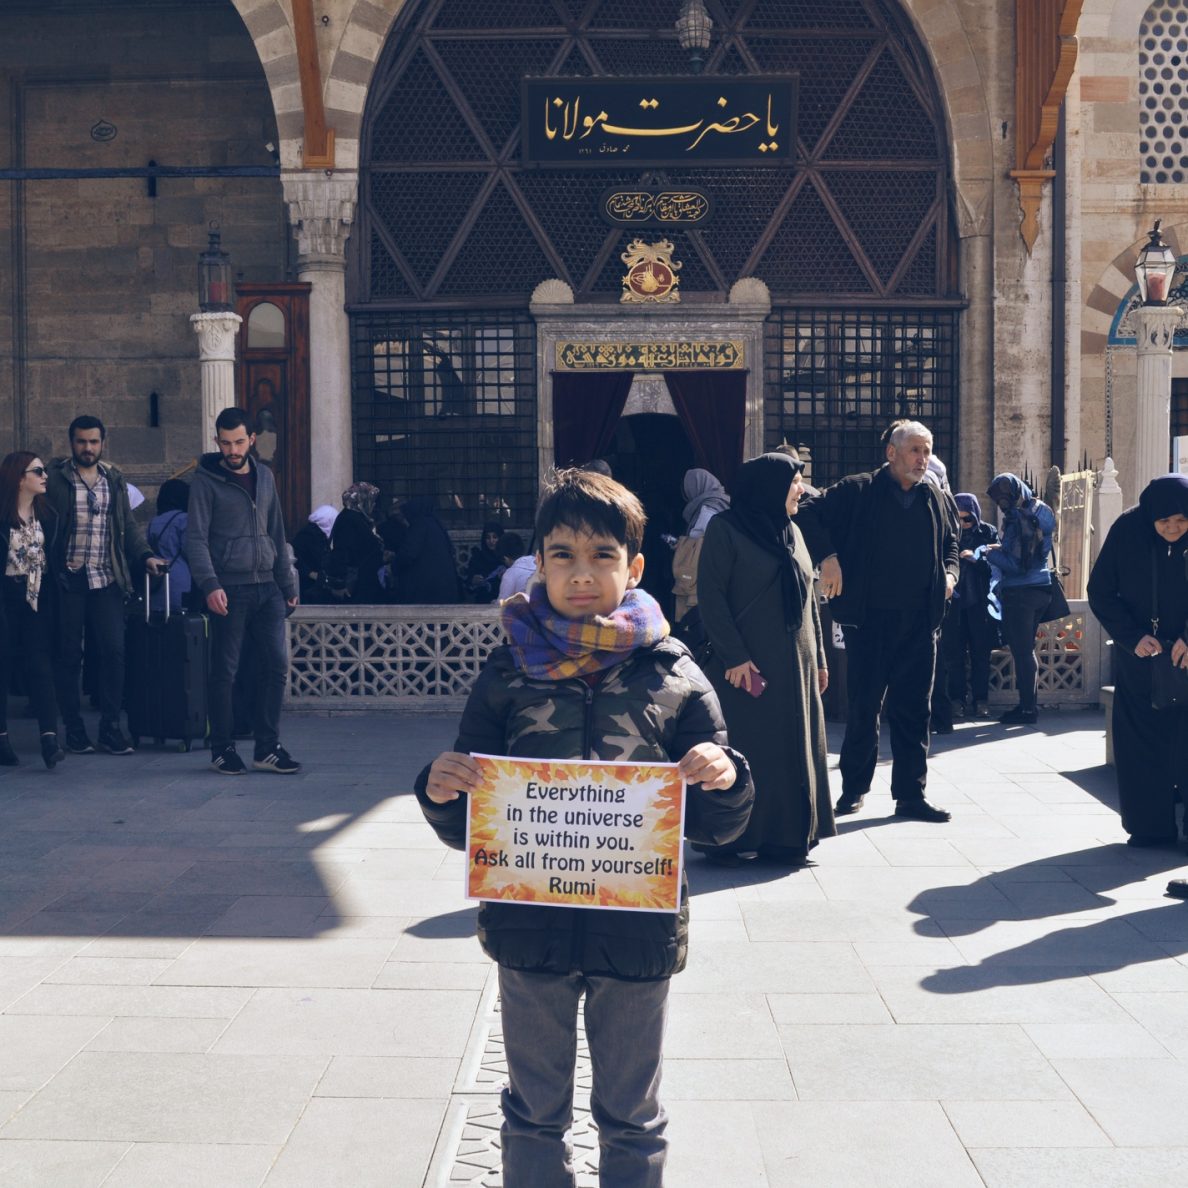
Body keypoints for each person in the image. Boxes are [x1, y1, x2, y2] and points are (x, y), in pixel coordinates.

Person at [417, 467, 753, 1187]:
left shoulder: (673, 672)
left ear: (633, 568)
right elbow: (468, 814)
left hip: (636, 931)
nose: (581, 574)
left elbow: (724, 824)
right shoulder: (508, 671)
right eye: (563, 555)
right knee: (533, 1113)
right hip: (529, 928)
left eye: (602, 556)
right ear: (537, 564)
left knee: (632, 1116)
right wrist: (443, 792)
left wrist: (726, 778)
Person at [798, 421, 958, 823]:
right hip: (869, 622)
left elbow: (951, 543)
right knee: (864, 706)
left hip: (920, 623)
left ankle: (910, 795)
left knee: (914, 711)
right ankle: (854, 789)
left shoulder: (933, 496)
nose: (923, 459)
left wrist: (950, 575)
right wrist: (828, 558)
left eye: (927, 451)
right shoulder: (857, 490)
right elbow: (805, 512)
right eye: (916, 451)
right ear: (892, 453)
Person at [694, 453, 834, 866]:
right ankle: (733, 837)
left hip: (799, 663)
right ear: (770, 487)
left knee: (793, 750)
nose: (801, 490)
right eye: (794, 482)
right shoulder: (726, 530)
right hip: (749, 666)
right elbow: (712, 597)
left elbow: (810, 599)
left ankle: (788, 838)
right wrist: (734, 656)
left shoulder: (793, 531)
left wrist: (821, 658)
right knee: (753, 750)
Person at [186, 407, 300, 775]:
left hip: (267, 586)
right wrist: (210, 584)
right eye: (224, 442)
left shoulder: (265, 476)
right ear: (217, 440)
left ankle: (267, 747)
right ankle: (222, 747)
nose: (231, 450)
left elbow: (277, 532)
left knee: (276, 666)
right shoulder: (205, 481)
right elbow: (196, 539)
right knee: (225, 671)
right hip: (229, 589)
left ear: (252, 439)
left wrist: (287, 583)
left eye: (238, 442)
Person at [46, 415, 165, 756]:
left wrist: (146, 556)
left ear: (103, 442)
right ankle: (74, 729)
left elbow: (127, 526)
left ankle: (111, 728)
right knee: (69, 655)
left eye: (94, 442)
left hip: (107, 577)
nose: (88, 448)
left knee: (114, 652)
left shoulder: (113, 478)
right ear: (72, 443)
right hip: (69, 579)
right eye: (82, 441)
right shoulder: (57, 479)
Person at [1087, 474, 1188, 847]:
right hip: (1142, 660)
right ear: (1149, 518)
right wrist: (1132, 638)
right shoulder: (1128, 529)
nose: (1173, 528)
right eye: (1164, 522)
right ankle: (1150, 828)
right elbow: (1100, 590)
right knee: (1141, 744)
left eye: (1181, 520)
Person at [0, 452, 66, 768]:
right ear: (18, 477)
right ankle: (1, 739)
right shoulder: (2, 519)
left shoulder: (48, 516)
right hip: (6, 597)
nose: (44, 476)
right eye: (37, 471)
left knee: (40, 665)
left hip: (36, 597)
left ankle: (49, 739)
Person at [984, 472, 1056, 725]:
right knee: (1028, 652)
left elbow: (1016, 565)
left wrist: (986, 553)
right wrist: (1001, 549)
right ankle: (1029, 706)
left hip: (1020, 592)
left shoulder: (1016, 520)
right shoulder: (1041, 510)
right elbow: (1038, 553)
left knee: (1022, 652)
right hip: (1042, 588)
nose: (1001, 504)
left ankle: (1027, 710)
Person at [944, 493, 1000, 717]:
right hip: (954, 603)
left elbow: (997, 566)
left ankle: (981, 700)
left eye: (967, 519)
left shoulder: (987, 533)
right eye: (959, 519)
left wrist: (976, 560)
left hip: (979, 601)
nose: (963, 524)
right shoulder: (948, 533)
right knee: (954, 654)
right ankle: (957, 699)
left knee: (980, 653)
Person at [671, 468, 729, 625]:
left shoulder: (707, 509)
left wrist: (679, 544)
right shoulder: (723, 502)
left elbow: (695, 541)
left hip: (699, 577)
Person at [389, 500, 460, 604]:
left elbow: (408, 553)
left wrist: (393, 567)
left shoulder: (419, 525)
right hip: (442, 588)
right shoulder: (433, 523)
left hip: (428, 590)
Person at [326, 483, 384, 603]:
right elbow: (342, 551)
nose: (373, 504)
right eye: (371, 500)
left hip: (363, 581)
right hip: (356, 585)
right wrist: (339, 584)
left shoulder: (358, 518)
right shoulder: (350, 520)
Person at [146, 478, 192, 613]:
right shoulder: (185, 519)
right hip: (182, 581)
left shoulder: (154, 521)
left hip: (158, 580)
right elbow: (191, 551)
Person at [291, 504, 337, 603]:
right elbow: (299, 559)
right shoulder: (310, 535)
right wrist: (311, 573)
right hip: (309, 586)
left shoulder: (317, 534)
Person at [465, 520, 505, 601]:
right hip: (482, 603)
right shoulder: (477, 558)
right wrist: (473, 581)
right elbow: (468, 585)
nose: (491, 541)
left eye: (495, 537)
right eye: (488, 537)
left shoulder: (506, 558)